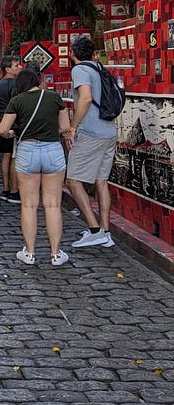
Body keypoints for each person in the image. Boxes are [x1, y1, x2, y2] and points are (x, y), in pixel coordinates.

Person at [0, 67, 71, 266]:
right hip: (52, 150)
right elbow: (65, 127)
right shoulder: (54, 97)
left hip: (27, 151)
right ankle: (56, 254)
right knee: (53, 204)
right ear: (37, 80)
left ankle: (29, 253)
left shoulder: (17, 101)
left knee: (29, 205)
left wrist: (13, 133)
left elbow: (3, 129)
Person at [65, 36, 118, 248]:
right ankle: (105, 231)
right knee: (101, 181)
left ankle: (94, 230)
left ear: (72, 53)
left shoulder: (79, 70)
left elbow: (85, 98)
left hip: (90, 132)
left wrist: (72, 128)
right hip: (109, 131)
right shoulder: (98, 67)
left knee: (74, 180)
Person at [0, 54, 22, 203]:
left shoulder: (1, 84)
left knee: (5, 156)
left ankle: (6, 188)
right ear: (8, 69)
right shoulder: (15, 84)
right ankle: (13, 189)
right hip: (13, 122)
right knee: (13, 156)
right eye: (16, 66)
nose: (19, 67)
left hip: (3, 121)